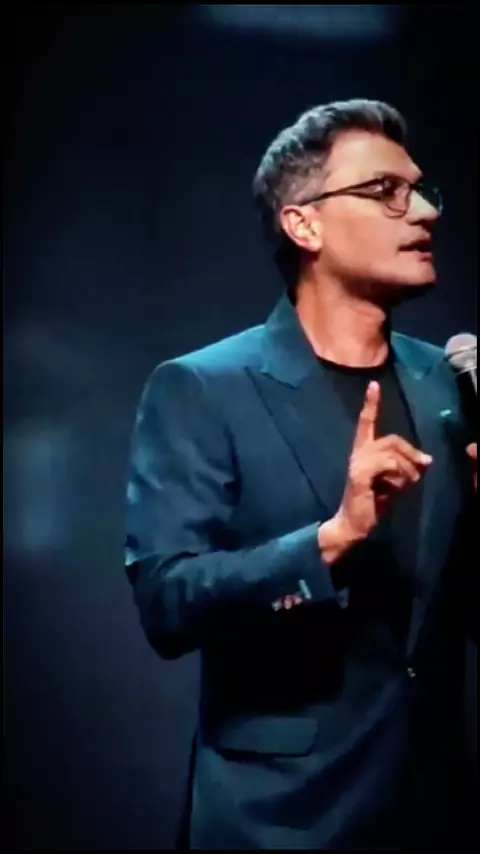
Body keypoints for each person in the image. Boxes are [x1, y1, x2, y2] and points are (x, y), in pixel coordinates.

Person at [124, 99, 477, 849]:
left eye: (422, 191)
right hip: (283, 819)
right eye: (385, 191)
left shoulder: (450, 385)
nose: (423, 212)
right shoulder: (204, 387)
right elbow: (167, 602)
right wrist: (330, 540)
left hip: (436, 806)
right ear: (303, 224)